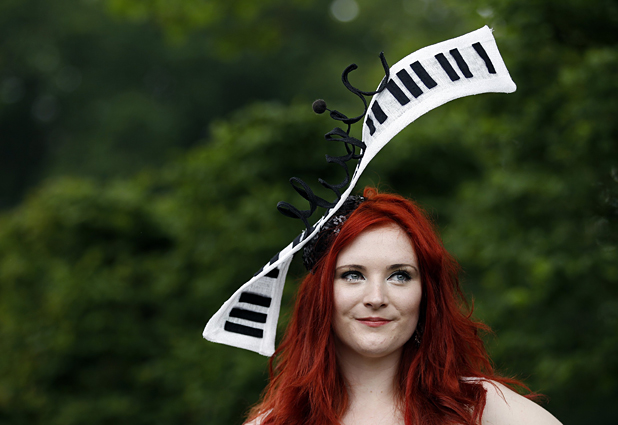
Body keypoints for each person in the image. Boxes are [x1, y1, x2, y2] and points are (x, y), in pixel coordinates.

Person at [244, 187, 562, 425]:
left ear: (426, 295)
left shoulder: (478, 407)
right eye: (353, 275)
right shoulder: (275, 422)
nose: (376, 297)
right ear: (321, 296)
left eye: (399, 276)